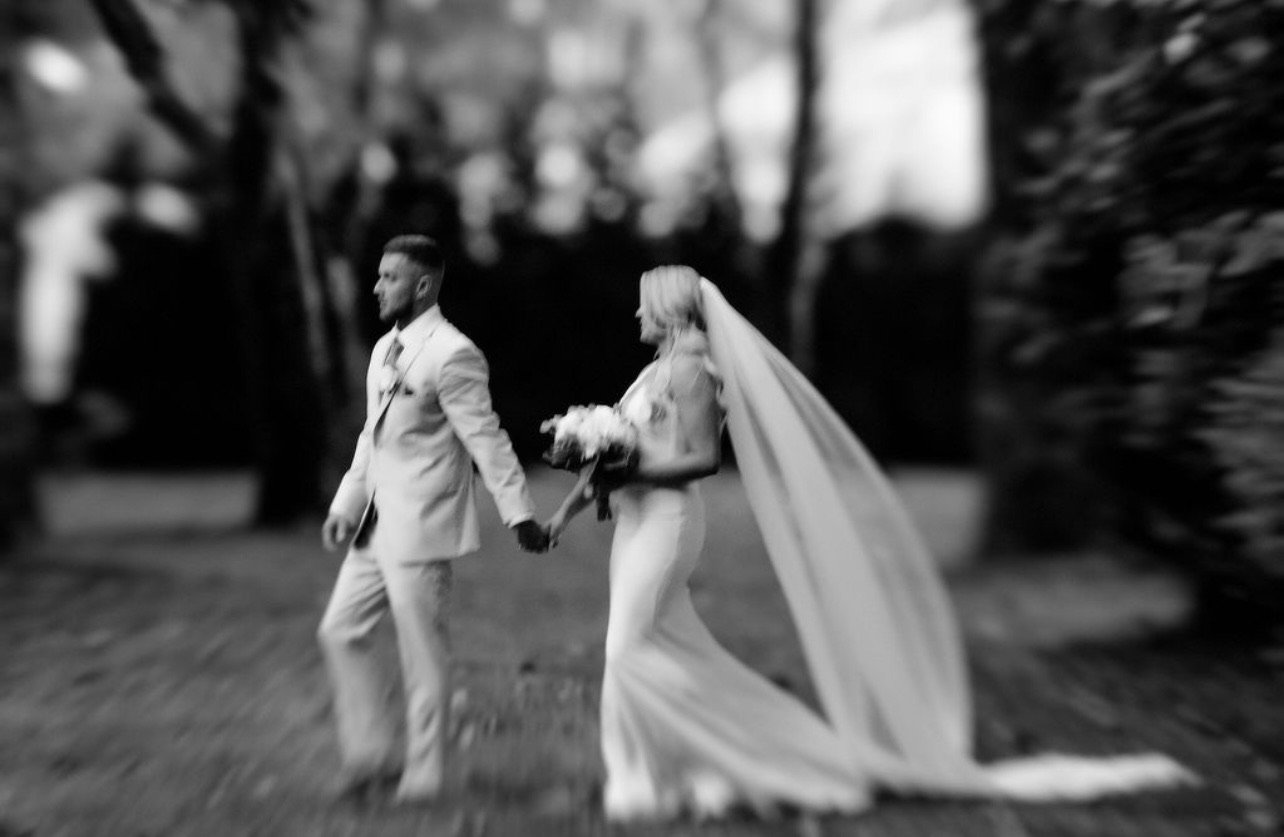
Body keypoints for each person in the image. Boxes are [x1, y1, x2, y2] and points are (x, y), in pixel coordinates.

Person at [546, 265, 1193, 822]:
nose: (635, 311)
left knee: (626, 647)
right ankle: (680, 766)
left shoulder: (692, 372)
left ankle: (645, 780)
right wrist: (567, 509)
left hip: (668, 525)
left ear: (666, 308)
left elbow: (701, 459)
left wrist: (630, 471)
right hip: (633, 527)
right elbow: (620, 456)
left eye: (643, 301)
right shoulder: (654, 370)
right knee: (665, 645)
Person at [318, 234, 548, 806]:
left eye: (388, 277)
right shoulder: (381, 350)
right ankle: (370, 757)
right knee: (339, 631)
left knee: (422, 653)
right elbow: (371, 438)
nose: (376, 286)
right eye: (378, 276)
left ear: (422, 285)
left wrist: (517, 510)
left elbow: (487, 438)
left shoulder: (454, 354)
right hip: (374, 525)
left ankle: (427, 777)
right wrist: (347, 504)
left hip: (422, 526)